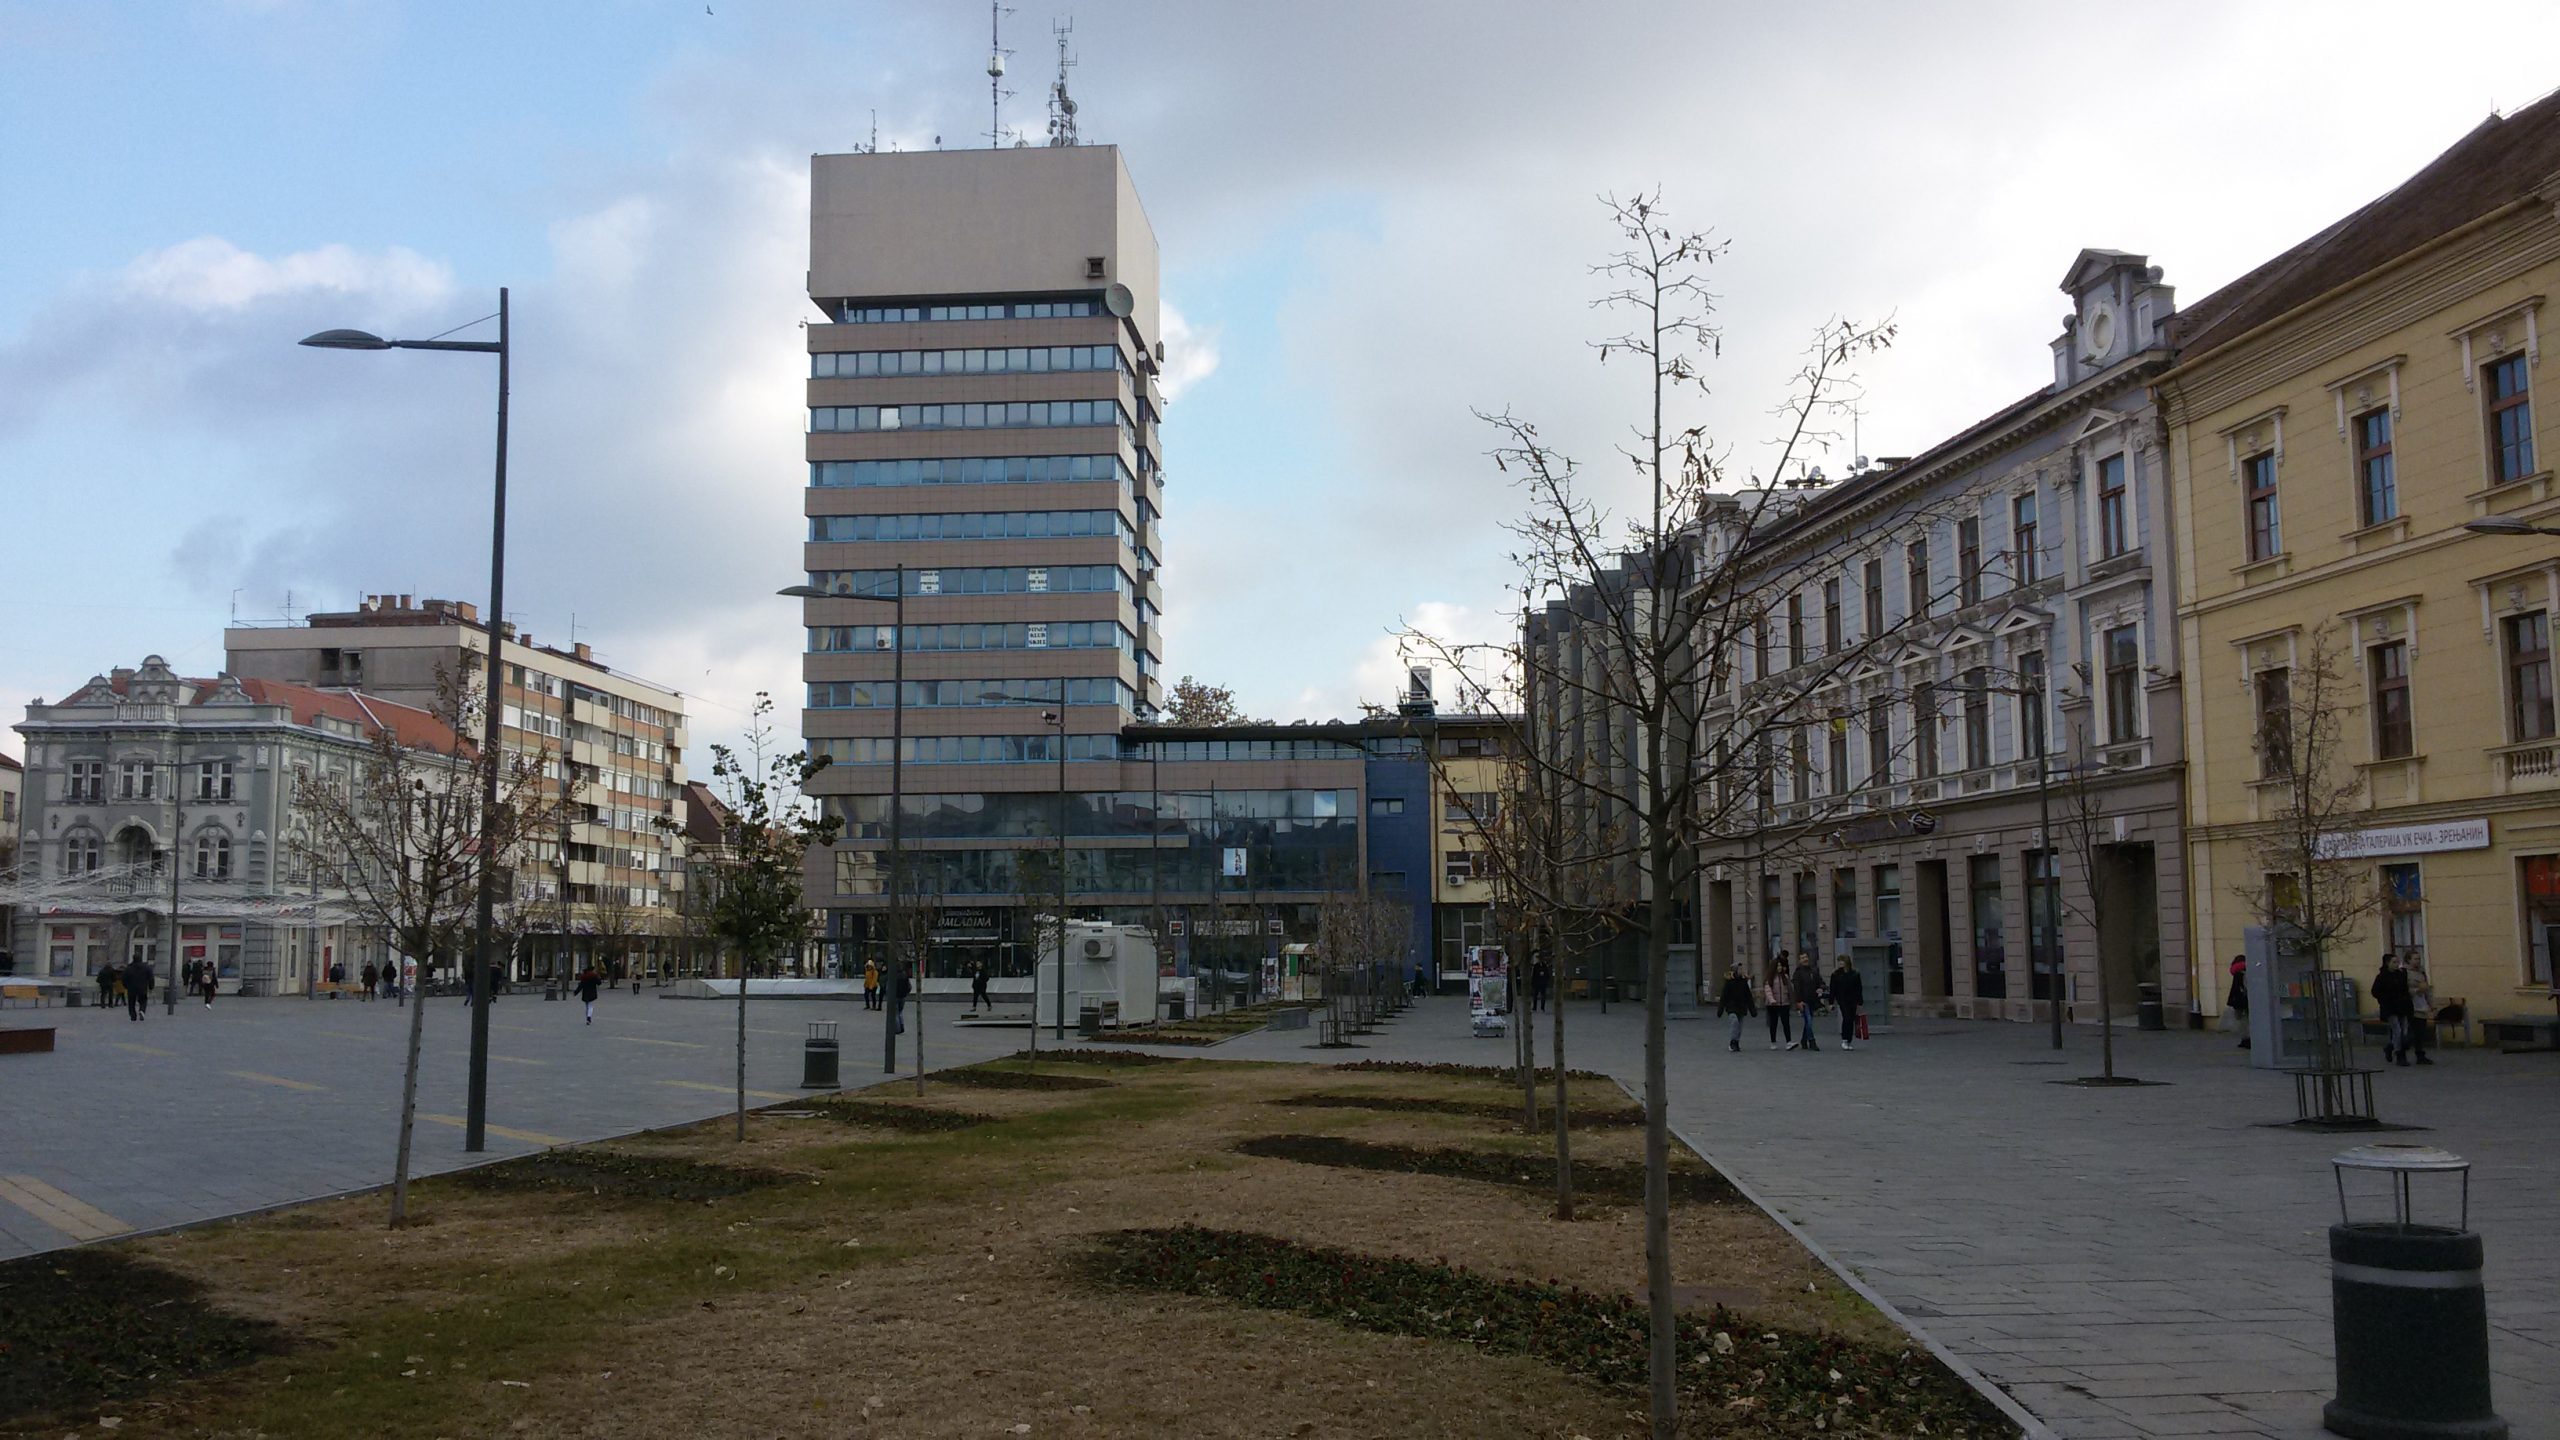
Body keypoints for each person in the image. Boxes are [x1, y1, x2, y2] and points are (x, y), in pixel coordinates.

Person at [1716, 965, 1756, 1053]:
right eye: (1740, 969)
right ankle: (1733, 1042)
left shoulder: (1743, 982)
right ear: (1735, 971)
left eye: (1742, 969)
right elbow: (1724, 997)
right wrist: (1720, 1009)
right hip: (1731, 1007)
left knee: (1740, 1026)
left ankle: (1736, 1042)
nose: (1741, 970)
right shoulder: (1729, 982)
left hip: (1741, 1007)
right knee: (1734, 1022)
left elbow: (1748, 997)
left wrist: (1752, 1010)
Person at [1829, 956, 1864, 1051]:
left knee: (1851, 1019)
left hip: (1853, 999)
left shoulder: (1855, 974)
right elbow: (1833, 989)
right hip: (1842, 999)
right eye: (1839, 961)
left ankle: (1849, 1040)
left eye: (1842, 961)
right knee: (1846, 1018)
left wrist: (1860, 1001)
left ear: (1847, 962)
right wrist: (1831, 1002)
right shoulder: (1836, 974)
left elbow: (1859, 988)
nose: (1840, 963)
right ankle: (1844, 1039)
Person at [1791, 953, 1824, 1051]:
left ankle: (1804, 1040)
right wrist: (1798, 1001)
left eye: (1806, 957)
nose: (1805, 959)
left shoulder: (1814, 971)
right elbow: (1796, 988)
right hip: (1803, 1001)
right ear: (1799, 961)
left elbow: (1821, 982)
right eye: (1802, 958)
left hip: (1812, 1000)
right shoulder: (1798, 973)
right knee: (1809, 1021)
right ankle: (1812, 1041)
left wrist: (1821, 988)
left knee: (1808, 1022)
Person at [1761, 959, 1793, 1050]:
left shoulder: (1785, 977)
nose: (1779, 968)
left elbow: (1790, 989)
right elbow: (1768, 990)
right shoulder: (1770, 978)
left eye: (1780, 966)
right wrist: (1771, 1000)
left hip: (1784, 1003)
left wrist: (1792, 1000)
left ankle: (1789, 1042)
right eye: (1777, 966)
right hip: (1773, 1005)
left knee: (1786, 1023)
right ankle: (1773, 1041)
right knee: (1773, 1023)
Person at [2227, 954, 2250, 1050]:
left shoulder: (2237, 972)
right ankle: (2248, 1039)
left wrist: (2231, 1000)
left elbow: (2235, 989)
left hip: (2238, 1001)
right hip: (2247, 1000)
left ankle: (2246, 1039)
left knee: (2241, 1021)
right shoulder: (2248, 971)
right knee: (2247, 1020)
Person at [123, 955, 153, 1021]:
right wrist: (151, 987)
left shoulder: (129, 968)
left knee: (131, 1002)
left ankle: (133, 1015)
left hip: (131, 988)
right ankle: (142, 1010)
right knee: (143, 1000)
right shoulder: (146, 968)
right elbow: (151, 978)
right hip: (142, 987)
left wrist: (126, 986)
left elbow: (124, 978)